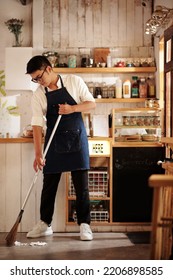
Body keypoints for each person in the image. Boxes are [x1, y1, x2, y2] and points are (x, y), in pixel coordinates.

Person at [26, 55, 96, 241]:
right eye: (34, 79)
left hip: (77, 138)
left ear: (49, 69)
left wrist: (72, 109)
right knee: (49, 184)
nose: (38, 82)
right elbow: (37, 124)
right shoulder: (39, 94)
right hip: (54, 141)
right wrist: (38, 154)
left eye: (39, 77)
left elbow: (91, 104)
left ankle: (84, 225)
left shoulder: (74, 81)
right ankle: (45, 224)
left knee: (81, 185)